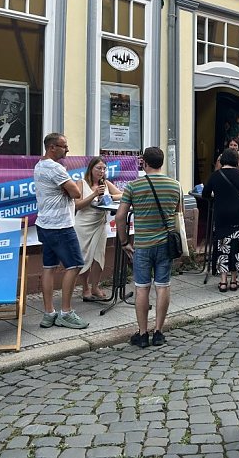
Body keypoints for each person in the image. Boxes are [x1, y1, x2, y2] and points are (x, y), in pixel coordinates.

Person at [116, 147, 182, 348]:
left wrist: (124, 242)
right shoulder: (175, 185)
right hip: (165, 244)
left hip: (143, 244)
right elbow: (178, 213)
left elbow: (120, 217)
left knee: (141, 288)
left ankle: (143, 333)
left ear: (144, 162)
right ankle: (159, 332)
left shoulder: (133, 186)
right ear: (161, 162)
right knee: (163, 286)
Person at [34, 133, 89, 330]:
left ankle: (49, 313)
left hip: (45, 223)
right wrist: (67, 189)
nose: (67, 149)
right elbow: (76, 193)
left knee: (49, 267)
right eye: (64, 146)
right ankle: (66, 312)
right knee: (74, 265)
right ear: (52, 148)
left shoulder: (39, 165)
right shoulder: (55, 168)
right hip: (61, 225)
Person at [74, 156, 122, 302]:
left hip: (100, 225)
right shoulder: (81, 183)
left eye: (104, 168)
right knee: (84, 257)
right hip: (83, 225)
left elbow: (122, 194)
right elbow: (77, 205)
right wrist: (94, 195)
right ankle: (85, 288)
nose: (101, 171)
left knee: (99, 257)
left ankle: (95, 286)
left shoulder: (106, 184)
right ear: (91, 169)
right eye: (98, 168)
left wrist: (109, 197)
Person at [202, 148, 239, 292]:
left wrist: (216, 197)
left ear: (222, 160)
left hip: (221, 214)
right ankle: (234, 281)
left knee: (223, 245)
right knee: (237, 245)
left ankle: (223, 282)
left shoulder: (215, 175)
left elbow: (205, 194)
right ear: (236, 160)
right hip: (238, 215)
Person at [0, 88, 27, 154]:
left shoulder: (23, 131)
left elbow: (14, 154)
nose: (7, 109)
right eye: (4, 102)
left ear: (21, 107)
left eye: (13, 105)